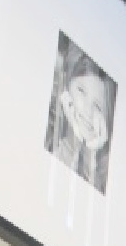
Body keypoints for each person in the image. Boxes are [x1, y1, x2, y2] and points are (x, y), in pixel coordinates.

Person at [45, 39, 117, 196]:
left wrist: (90, 147)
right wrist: (73, 139)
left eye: (98, 106)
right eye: (81, 91)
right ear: (67, 86)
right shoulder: (49, 127)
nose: (88, 110)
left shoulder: (106, 170)